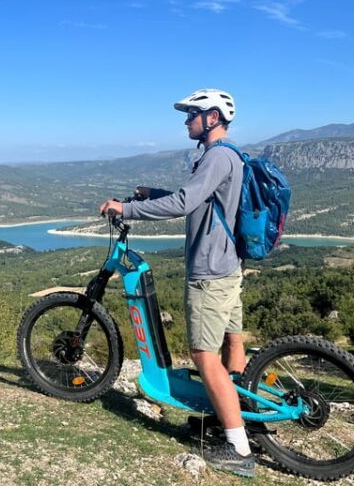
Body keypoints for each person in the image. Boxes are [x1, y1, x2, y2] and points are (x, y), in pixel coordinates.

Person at [99, 88, 254, 479]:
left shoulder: (217, 156)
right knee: (232, 341)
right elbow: (199, 200)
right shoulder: (228, 155)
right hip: (228, 267)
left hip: (209, 273)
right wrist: (155, 194)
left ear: (213, 118)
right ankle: (231, 418)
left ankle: (238, 447)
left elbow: (185, 204)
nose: (186, 121)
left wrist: (128, 207)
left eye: (192, 115)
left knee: (204, 355)